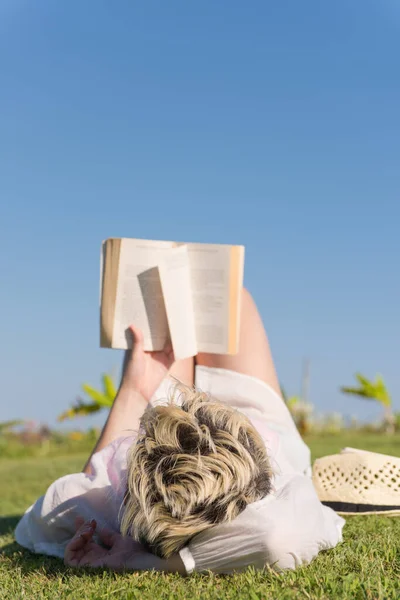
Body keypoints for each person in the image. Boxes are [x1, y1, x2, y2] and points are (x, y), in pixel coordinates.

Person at [15, 289, 344, 574]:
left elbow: (32, 525)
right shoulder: (278, 502)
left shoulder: (100, 503)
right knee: (230, 298)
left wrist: (135, 389)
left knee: (172, 309)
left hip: (168, 434)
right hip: (255, 418)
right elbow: (276, 541)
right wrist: (149, 563)